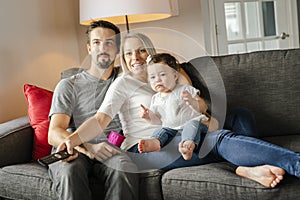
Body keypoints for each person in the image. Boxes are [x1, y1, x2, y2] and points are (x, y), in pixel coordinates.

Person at [57, 32, 300, 189]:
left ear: (150, 52)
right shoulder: (123, 83)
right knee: (219, 139)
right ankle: (290, 164)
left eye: (141, 50)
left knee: (242, 116)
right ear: (123, 58)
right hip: (148, 145)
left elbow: (198, 105)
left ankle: (248, 165)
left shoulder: (169, 72)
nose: (136, 58)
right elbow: (100, 119)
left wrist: (202, 114)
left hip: (185, 131)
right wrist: (71, 139)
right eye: (129, 53)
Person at [47, 20, 139, 200]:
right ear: (89, 48)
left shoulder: (126, 80)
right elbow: (54, 133)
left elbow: (167, 68)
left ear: (118, 50)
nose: (102, 48)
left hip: (112, 149)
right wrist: (88, 147)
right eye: (96, 42)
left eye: (109, 43)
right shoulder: (69, 85)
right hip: (75, 148)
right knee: (69, 172)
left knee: (123, 168)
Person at [138, 53, 218, 160]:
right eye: (152, 77)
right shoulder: (155, 98)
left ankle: (188, 145)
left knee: (192, 124)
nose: (157, 79)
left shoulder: (184, 89)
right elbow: (157, 121)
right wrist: (148, 116)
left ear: (175, 76)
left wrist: (192, 102)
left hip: (194, 124)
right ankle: (155, 142)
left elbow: (203, 107)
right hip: (172, 130)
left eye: (162, 74)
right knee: (162, 130)